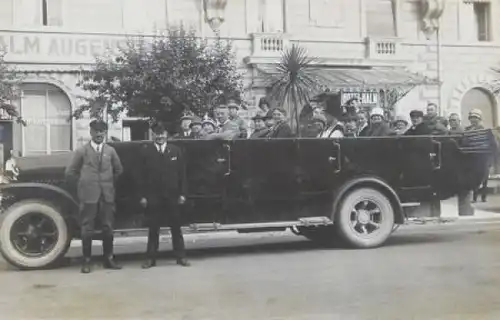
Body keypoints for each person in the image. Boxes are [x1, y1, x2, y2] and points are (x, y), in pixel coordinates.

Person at [65, 119, 124, 274]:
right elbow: (70, 172)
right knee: (87, 229)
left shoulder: (110, 151)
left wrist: (108, 185)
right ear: (90, 133)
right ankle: (86, 261)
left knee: (108, 228)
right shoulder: (82, 151)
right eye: (96, 131)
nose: (99, 134)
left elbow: (119, 170)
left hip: (107, 195)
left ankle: (109, 259)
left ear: (105, 133)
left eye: (102, 131)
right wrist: (84, 185)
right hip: (88, 196)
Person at [139, 122, 190, 268]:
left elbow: (182, 174)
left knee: (176, 228)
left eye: (162, 134)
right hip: (153, 197)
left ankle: (181, 257)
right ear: (153, 135)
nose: (160, 136)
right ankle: (150, 258)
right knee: (153, 228)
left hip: (173, 196)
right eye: (157, 134)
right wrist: (143, 196)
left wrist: (182, 194)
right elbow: (141, 176)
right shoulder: (146, 152)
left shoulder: (175, 151)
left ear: (166, 134)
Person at [465, 109, 489, 203]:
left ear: (479, 119)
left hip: (483, 156)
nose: (473, 120)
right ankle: (474, 197)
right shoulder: (468, 129)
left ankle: (483, 196)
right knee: (474, 177)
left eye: (475, 118)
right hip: (472, 156)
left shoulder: (484, 129)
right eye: (471, 118)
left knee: (484, 177)